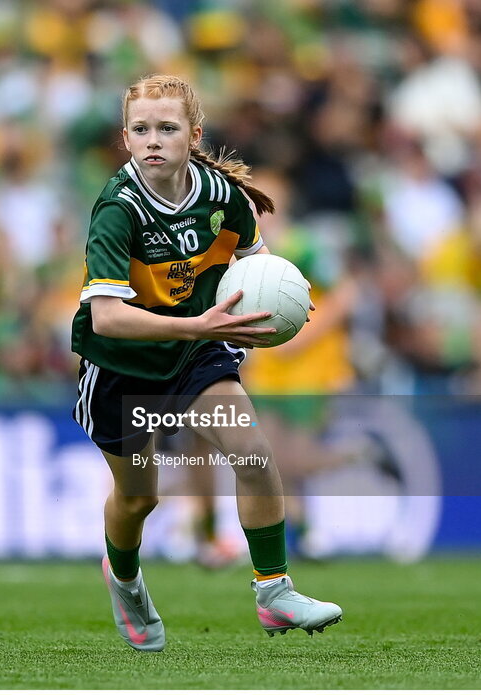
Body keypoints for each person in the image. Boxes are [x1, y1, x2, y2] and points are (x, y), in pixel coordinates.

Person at [70, 75, 342, 652]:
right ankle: (124, 579)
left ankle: (275, 592)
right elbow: (107, 320)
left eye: (166, 128)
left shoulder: (222, 195)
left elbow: (255, 259)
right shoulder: (118, 211)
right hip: (124, 367)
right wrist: (198, 323)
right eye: (141, 129)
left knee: (254, 455)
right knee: (139, 498)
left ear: (194, 135)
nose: (153, 140)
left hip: (198, 354)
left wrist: (286, 296)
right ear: (125, 138)